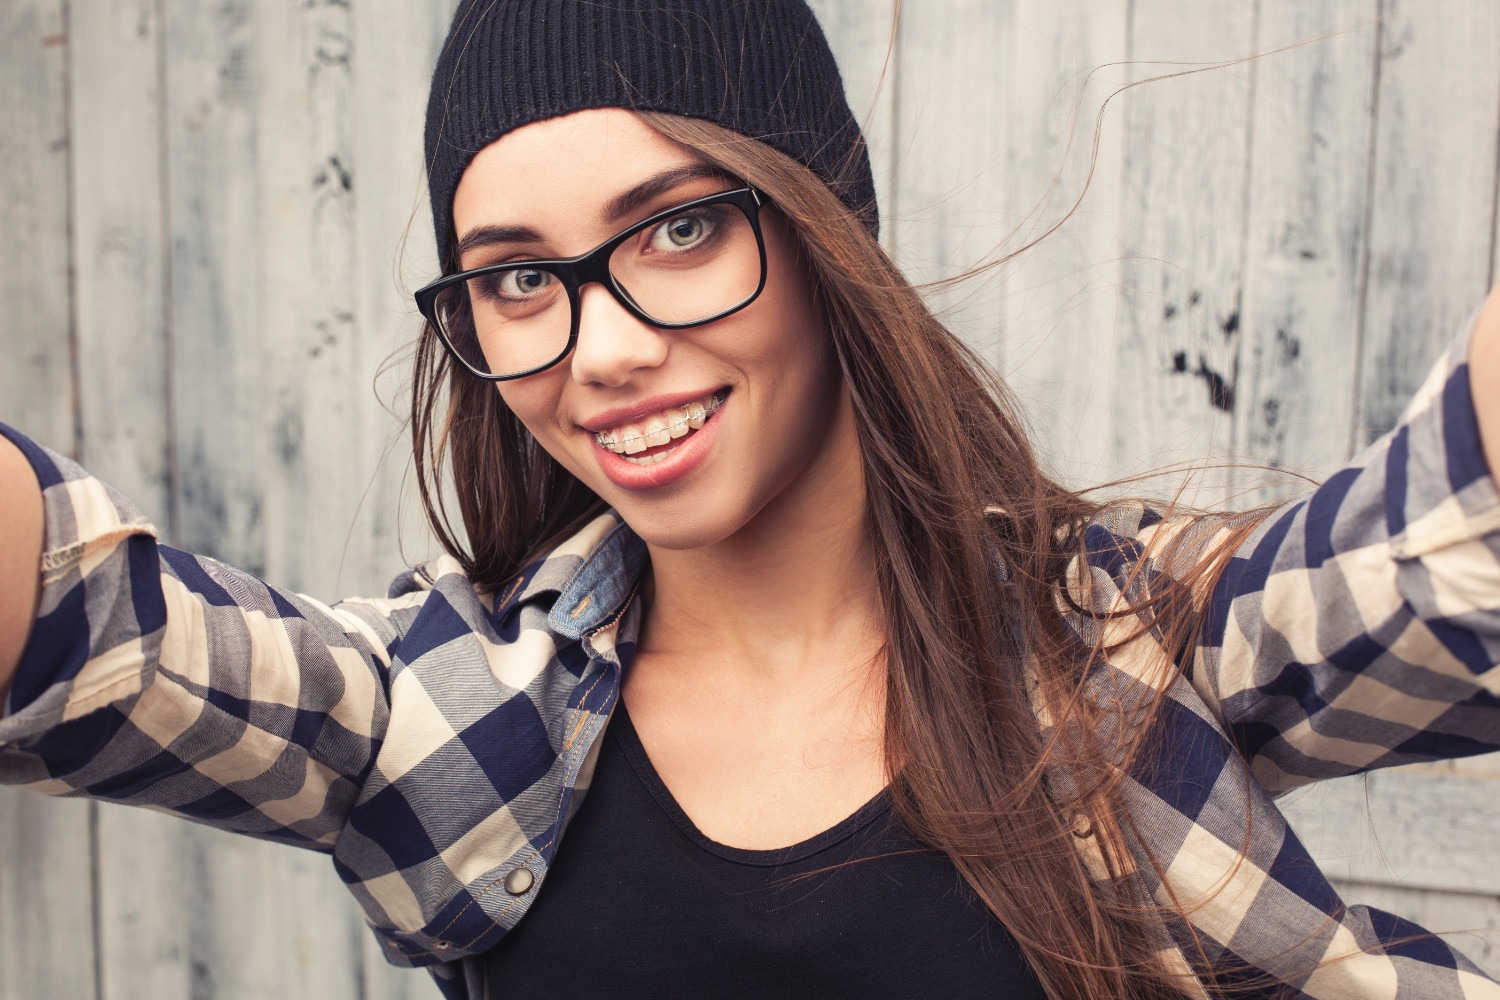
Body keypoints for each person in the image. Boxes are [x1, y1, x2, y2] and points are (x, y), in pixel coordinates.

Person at [2, 1, 1498, 997]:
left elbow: (1455, 553)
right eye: (520, 277)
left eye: (676, 230)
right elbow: (82, 630)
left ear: (824, 222)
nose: (603, 353)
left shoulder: (1128, 649)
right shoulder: (445, 718)